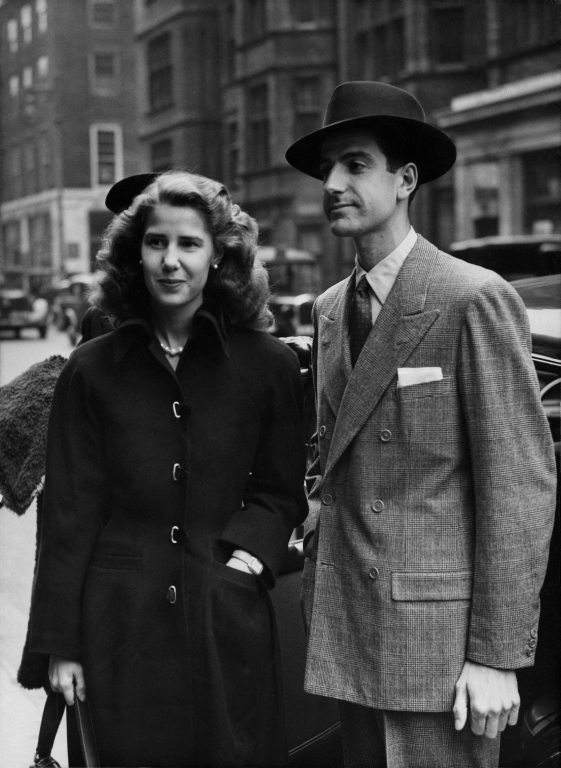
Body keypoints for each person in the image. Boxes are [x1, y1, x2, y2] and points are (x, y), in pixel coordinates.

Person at [284, 81, 557, 768]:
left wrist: (496, 655)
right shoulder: (328, 308)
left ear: (406, 180)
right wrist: (311, 527)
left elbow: (518, 487)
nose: (333, 184)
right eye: (327, 169)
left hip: (439, 647)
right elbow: (326, 455)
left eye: (354, 164)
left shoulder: (472, 297)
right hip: (347, 628)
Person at [27, 171, 308, 767]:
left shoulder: (269, 366)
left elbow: (281, 491)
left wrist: (243, 562)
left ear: (219, 256)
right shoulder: (91, 369)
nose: (171, 261)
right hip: (118, 627)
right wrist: (61, 644)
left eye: (189, 244)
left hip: (226, 619)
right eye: (156, 243)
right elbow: (69, 514)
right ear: (136, 253)